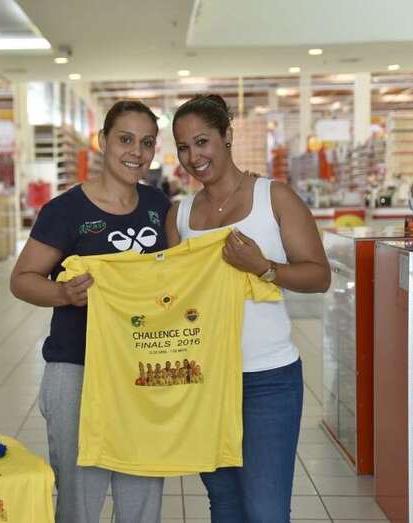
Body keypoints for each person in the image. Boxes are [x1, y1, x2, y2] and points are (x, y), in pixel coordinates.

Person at [166, 94, 330, 522]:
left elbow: (319, 276)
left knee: (265, 510)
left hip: (267, 379)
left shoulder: (274, 198)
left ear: (227, 135)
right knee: (224, 505)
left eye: (202, 141)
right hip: (204, 380)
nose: (193, 156)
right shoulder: (179, 216)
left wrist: (263, 268)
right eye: (183, 147)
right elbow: (171, 298)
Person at [10, 100, 169, 523]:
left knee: (142, 489)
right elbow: (22, 279)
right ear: (103, 141)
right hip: (77, 367)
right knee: (79, 497)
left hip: (141, 370)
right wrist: (63, 293)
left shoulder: (159, 205)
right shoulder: (65, 211)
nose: (136, 151)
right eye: (125, 139)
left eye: (147, 142)